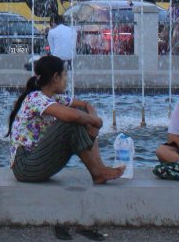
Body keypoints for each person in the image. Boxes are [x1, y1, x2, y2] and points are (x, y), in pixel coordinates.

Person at [8, 55, 124, 185]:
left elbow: (85, 105)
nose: (67, 80)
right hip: (25, 167)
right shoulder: (35, 98)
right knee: (72, 121)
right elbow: (73, 116)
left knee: (82, 115)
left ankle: (99, 168)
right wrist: (96, 121)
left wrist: (93, 121)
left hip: (39, 161)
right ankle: (97, 172)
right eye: (65, 75)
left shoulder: (55, 98)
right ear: (56, 77)